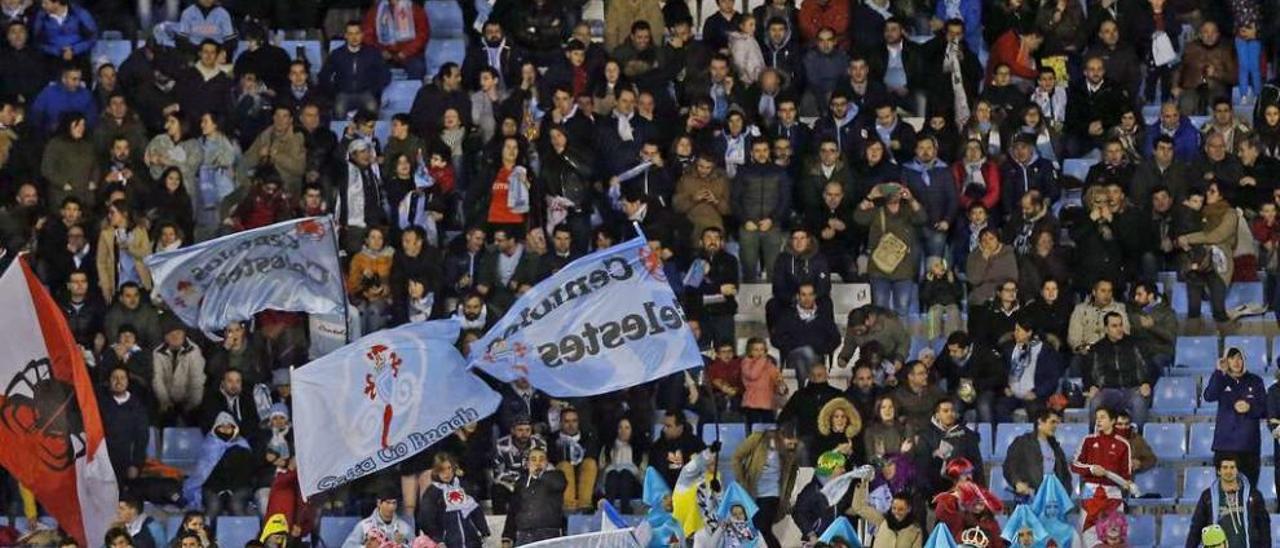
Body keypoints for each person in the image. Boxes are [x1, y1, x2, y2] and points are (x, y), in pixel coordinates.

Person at [855, 181, 926, 318]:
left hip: (904, 269)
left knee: (902, 310)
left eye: (897, 189)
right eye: (889, 189)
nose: (893, 193)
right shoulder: (876, 212)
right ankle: (882, 339)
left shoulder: (908, 212)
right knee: (880, 310)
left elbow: (922, 218)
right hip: (879, 269)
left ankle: (900, 338)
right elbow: (858, 217)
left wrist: (911, 198)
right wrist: (870, 196)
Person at [1204, 347, 1267, 487]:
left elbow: (1265, 409)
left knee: (1248, 491)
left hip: (1249, 448)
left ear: (1244, 360)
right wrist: (1219, 372)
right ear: (1226, 361)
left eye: (1239, 357)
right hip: (1224, 447)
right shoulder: (1221, 379)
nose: (1236, 362)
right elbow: (1209, 396)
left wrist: (1250, 407)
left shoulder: (1256, 381)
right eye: (1232, 358)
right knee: (1226, 493)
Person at [730, 424, 800, 548]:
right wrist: (742, 480)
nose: (791, 448)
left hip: (772, 495)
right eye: (789, 444)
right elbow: (737, 457)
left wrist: (785, 500)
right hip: (751, 492)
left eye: (793, 446)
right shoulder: (759, 439)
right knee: (754, 529)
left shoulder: (789, 457)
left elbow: (789, 483)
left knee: (763, 528)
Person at [1187, 455, 1271, 548]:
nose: (1228, 471)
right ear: (1219, 471)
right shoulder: (1208, 496)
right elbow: (1196, 528)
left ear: (1237, 470)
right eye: (1225, 467)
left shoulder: (1254, 495)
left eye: (1232, 467)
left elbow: (1264, 529)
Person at [318, 20, 391, 118]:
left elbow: (386, 75)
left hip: (366, 93)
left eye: (357, 33)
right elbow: (323, 75)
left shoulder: (373, 53)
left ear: (362, 35)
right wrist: (334, 92)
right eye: (350, 34)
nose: (354, 37)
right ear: (345, 36)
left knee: (372, 110)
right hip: (343, 94)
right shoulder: (337, 54)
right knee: (338, 111)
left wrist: (374, 90)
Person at [915, 399, 984, 497]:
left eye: (952, 410)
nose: (950, 414)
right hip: (934, 492)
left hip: (963, 490)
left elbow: (976, 464)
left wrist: (980, 493)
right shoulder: (926, 436)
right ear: (937, 415)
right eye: (945, 411)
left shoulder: (967, 435)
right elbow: (922, 468)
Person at [417, 453, 488, 548]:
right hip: (448, 544)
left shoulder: (464, 486)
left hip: (472, 542)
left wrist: (484, 531)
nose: (447, 473)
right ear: (436, 471)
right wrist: (438, 539)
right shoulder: (433, 493)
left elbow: (476, 511)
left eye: (449, 468)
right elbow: (426, 519)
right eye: (442, 470)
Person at [502, 447, 567, 546]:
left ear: (547, 463)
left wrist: (538, 473)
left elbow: (559, 484)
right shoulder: (521, 483)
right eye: (533, 459)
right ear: (527, 464)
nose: (538, 462)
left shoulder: (557, 476)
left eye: (541, 459)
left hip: (549, 534)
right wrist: (507, 537)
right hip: (523, 535)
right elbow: (513, 511)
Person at [1003, 408, 1070, 500]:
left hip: (1052, 501)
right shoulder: (1022, 442)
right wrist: (1017, 482)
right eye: (1052, 422)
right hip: (1029, 499)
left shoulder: (1056, 448)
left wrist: (1065, 494)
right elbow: (1009, 466)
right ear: (1040, 422)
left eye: (1057, 423)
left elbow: (1065, 475)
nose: (1055, 426)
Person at [361, 0, 429, 80]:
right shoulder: (376, 10)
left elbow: (422, 35)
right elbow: (367, 35)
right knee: (369, 65)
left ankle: (412, 91)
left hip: (409, 54)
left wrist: (405, 52)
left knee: (418, 67)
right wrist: (380, 51)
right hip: (384, 53)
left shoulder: (414, 9)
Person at [343, 489, 413, 547]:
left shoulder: (404, 527)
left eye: (394, 503)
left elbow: (415, 545)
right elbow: (347, 546)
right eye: (388, 503)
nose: (391, 507)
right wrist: (366, 547)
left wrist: (403, 545)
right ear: (379, 503)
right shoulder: (364, 526)